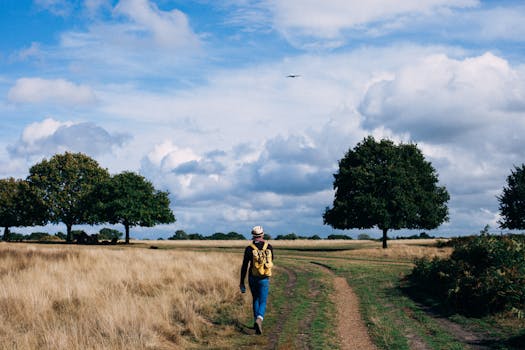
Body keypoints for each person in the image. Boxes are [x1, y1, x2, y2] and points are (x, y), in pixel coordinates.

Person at [240, 225, 274, 335]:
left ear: (253, 235)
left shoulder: (249, 248)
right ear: (263, 234)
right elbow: (271, 261)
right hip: (264, 278)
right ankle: (260, 319)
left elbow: (244, 266)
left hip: (252, 277)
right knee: (263, 301)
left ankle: (256, 321)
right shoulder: (269, 247)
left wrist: (242, 281)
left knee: (255, 299)